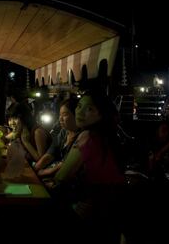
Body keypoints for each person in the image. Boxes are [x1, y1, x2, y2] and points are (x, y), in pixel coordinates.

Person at [50, 90, 125, 244]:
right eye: (79, 106)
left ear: (101, 114)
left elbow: (62, 176)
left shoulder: (88, 136)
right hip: (111, 214)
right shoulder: (111, 136)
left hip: (88, 214)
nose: (80, 112)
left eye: (89, 109)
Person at [34, 98, 80, 178]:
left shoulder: (82, 137)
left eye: (65, 115)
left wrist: (41, 173)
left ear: (76, 115)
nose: (60, 119)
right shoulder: (63, 132)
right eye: (60, 115)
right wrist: (34, 170)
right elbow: (49, 154)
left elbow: (65, 165)